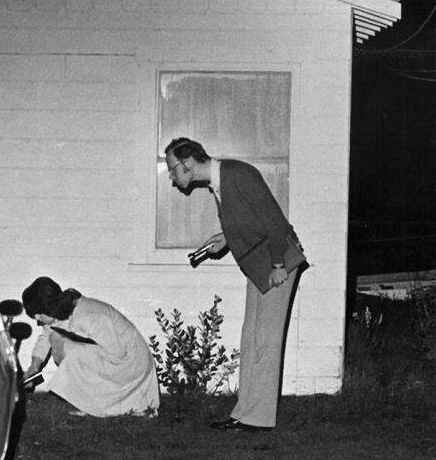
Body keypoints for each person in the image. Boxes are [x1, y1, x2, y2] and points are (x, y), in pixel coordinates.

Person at [164, 137, 307, 432]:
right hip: (260, 264)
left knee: (266, 341)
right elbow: (250, 220)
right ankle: (244, 413)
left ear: (187, 164)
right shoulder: (219, 183)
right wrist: (225, 239)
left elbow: (274, 222)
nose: (171, 176)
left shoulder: (238, 174)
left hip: (277, 262)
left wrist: (278, 265)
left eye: (172, 169)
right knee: (251, 337)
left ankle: (259, 419)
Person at [21, 277, 159, 417]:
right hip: (117, 357)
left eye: (39, 313)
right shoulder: (59, 312)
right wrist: (34, 367)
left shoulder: (88, 317)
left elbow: (117, 353)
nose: (37, 318)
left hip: (132, 364)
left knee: (68, 350)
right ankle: (91, 403)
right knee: (58, 340)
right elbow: (46, 337)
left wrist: (82, 357)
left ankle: (106, 403)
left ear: (50, 306)